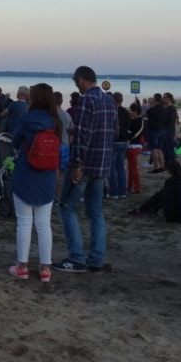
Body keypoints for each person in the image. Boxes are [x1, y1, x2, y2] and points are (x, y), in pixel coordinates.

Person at [53, 65, 117, 273]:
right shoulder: (109, 101)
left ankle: (77, 257)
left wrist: (77, 165)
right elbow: (114, 131)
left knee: (66, 207)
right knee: (95, 212)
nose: (76, 87)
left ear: (81, 79)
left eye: (76, 83)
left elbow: (82, 136)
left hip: (84, 166)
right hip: (102, 165)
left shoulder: (86, 101)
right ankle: (96, 259)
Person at [8, 83, 60, 283]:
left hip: (26, 172)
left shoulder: (26, 118)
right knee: (44, 223)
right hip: (47, 174)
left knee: (24, 222)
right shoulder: (55, 121)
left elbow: (14, 142)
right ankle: (45, 268)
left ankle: (22, 266)